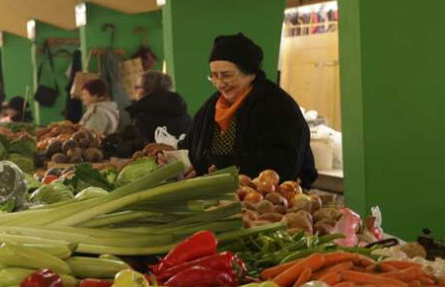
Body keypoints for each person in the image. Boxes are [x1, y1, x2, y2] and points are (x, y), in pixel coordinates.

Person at [180, 33, 318, 188]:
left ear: (250, 73)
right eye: (214, 76)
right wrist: (171, 156)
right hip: (216, 198)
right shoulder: (211, 106)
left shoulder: (276, 106)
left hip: (269, 201)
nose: (219, 83)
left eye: (226, 75)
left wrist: (221, 165)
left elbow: (282, 162)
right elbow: (191, 146)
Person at [127, 70, 191, 141]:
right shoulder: (184, 114)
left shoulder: (141, 118)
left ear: (148, 91)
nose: (135, 91)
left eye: (137, 87)